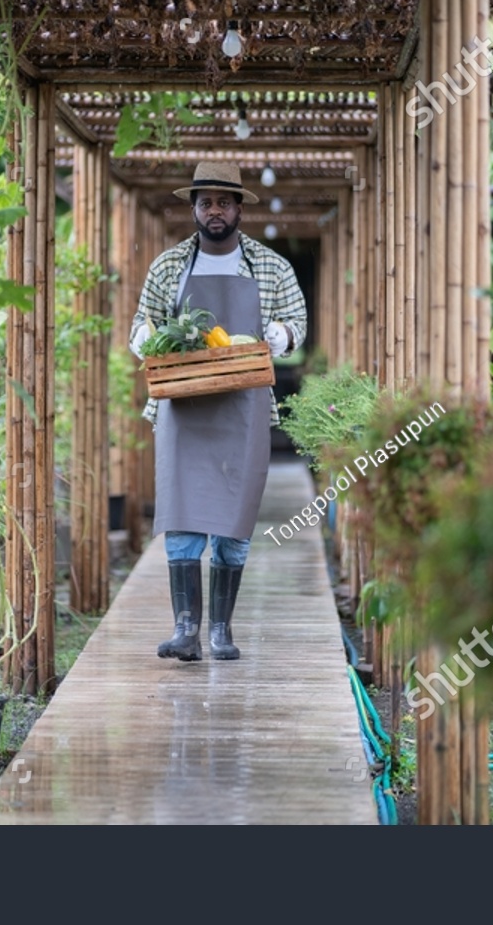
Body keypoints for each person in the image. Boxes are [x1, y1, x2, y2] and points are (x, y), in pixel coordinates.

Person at [128, 161, 308, 662]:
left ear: (239, 210)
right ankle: (186, 629)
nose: (215, 211)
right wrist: (143, 340)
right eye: (206, 202)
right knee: (182, 518)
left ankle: (221, 632)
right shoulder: (168, 267)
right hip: (182, 409)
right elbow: (140, 328)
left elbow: (297, 321)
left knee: (233, 522)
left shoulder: (272, 267)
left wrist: (284, 335)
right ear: (193, 209)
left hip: (244, 410)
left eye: (224, 202)